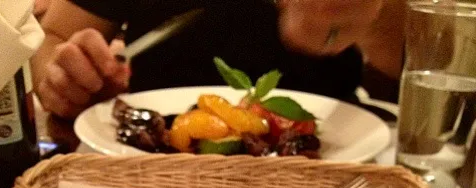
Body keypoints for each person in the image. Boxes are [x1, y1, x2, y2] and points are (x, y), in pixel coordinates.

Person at [32, 0, 405, 120]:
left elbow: (416, 66)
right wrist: (66, 79)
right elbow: (55, 36)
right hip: (146, 172)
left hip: (332, 174)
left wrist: (375, 11)